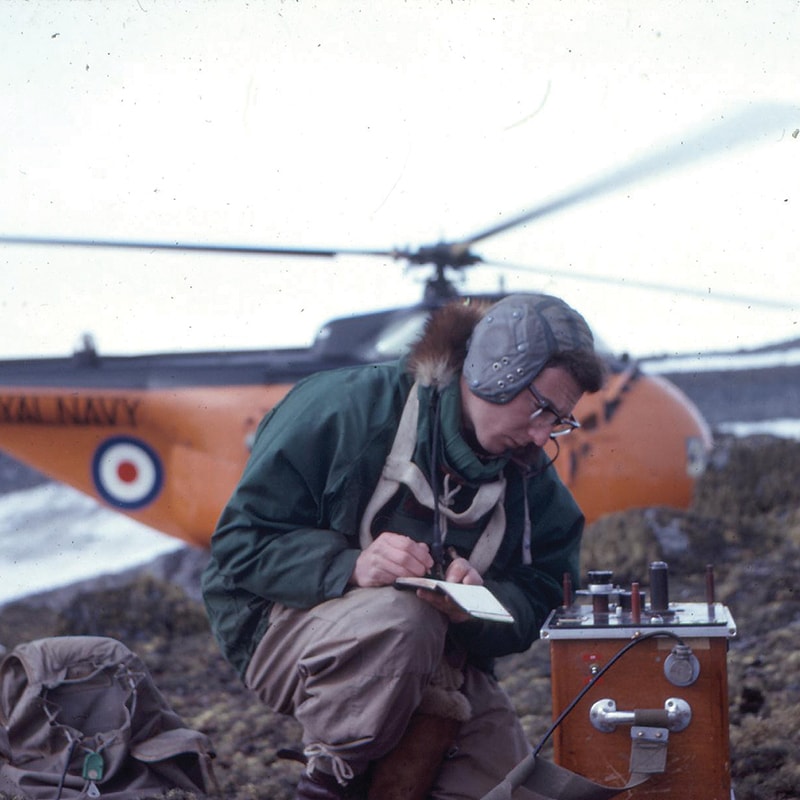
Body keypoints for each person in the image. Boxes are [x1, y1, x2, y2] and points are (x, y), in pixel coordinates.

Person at [202, 293, 606, 800]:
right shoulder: (342, 408)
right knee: (404, 618)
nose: (542, 434)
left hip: (437, 657)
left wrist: (478, 609)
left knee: (511, 790)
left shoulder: (536, 486)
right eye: (541, 409)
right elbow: (239, 545)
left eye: (559, 420)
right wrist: (350, 565)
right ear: (492, 374)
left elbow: (544, 593)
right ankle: (330, 782)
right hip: (278, 629)